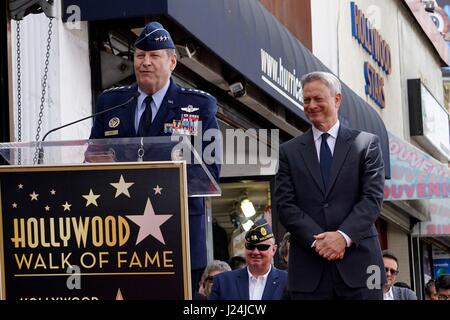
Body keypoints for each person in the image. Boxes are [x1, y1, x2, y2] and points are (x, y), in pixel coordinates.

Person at [89, 21, 220, 292]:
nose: (145, 62)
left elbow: (210, 170)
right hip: (120, 232)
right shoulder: (111, 103)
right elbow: (92, 160)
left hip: (177, 233)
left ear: (172, 62)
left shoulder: (197, 106)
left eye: (154, 56)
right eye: (140, 56)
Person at [274, 71, 386, 300]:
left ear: (337, 99)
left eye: (318, 99)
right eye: (306, 100)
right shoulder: (289, 151)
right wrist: (320, 242)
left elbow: (372, 199)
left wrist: (342, 237)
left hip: (361, 269)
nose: (311, 105)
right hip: (308, 270)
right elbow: (285, 205)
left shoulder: (366, 144)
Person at [209, 218, 288, 300]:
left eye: (262, 247)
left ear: (273, 249)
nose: (256, 252)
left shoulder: (287, 282)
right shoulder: (223, 283)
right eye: (250, 246)